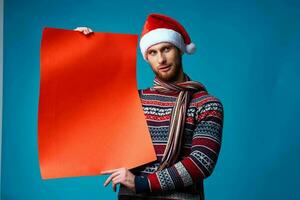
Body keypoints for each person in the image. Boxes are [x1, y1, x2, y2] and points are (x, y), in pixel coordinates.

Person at [75, 13, 224, 200]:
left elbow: (202, 161)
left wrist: (142, 183)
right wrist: (80, 50)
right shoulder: (133, 101)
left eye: (166, 49)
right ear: (147, 57)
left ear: (179, 50)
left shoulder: (206, 104)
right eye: (153, 52)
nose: (161, 59)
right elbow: (86, 109)